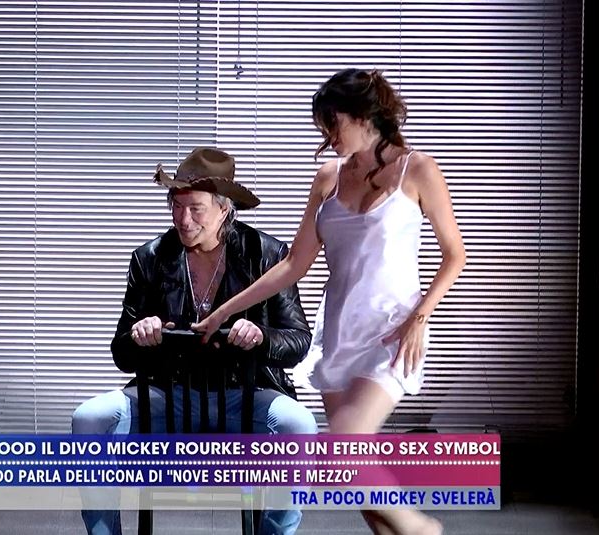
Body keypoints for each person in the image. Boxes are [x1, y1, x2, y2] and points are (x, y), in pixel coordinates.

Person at [192, 69, 466, 535]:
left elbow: (454, 255)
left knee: (345, 447)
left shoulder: (417, 170)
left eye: (332, 123)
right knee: (357, 475)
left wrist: (420, 318)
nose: (327, 135)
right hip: (339, 334)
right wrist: (223, 311)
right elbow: (294, 264)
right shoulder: (328, 177)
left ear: (363, 116)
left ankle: (423, 529)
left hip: (390, 333)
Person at [71, 147, 318, 535]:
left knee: (299, 424)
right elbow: (121, 352)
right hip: (166, 396)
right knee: (89, 418)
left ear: (224, 208)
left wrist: (261, 337)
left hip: (246, 395)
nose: (183, 220)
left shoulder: (267, 254)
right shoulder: (150, 258)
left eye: (196, 209)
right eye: (176, 206)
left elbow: (298, 340)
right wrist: (141, 335)